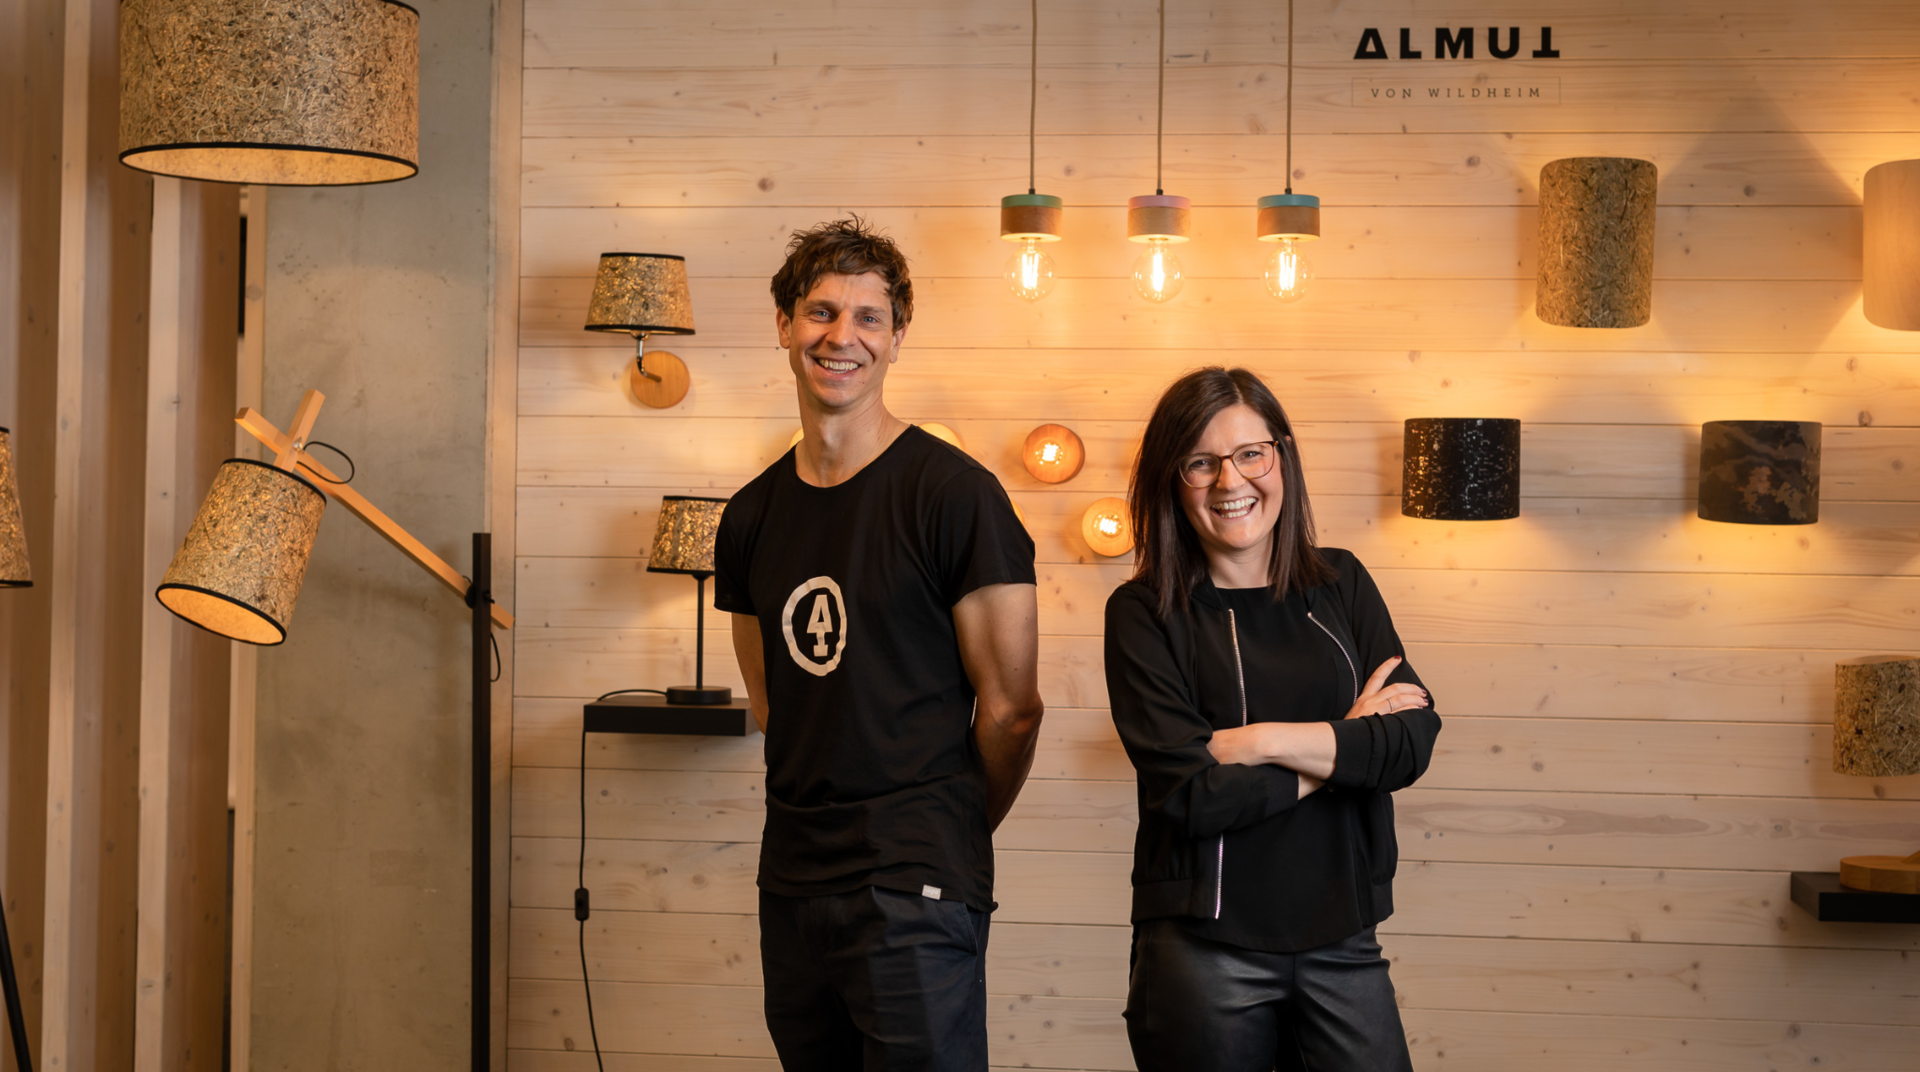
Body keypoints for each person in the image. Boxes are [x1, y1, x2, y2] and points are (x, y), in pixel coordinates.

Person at [713, 217, 1045, 1072]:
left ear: (897, 337)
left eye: (868, 317)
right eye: (821, 312)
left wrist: (948, 829)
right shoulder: (749, 517)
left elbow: (1011, 711)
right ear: (784, 325)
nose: (841, 337)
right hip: (790, 882)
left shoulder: (956, 496)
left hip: (916, 884)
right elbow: (773, 703)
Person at [1103, 366, 1440, 1072]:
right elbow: (1192, 796)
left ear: (1280, 456)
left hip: (1343, 936)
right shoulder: (1143, 615)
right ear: (1173, 479)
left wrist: (1258, 742)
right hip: (1202, 950)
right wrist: (1346, 743)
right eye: (1201, 462)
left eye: (1251, 454)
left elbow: (1408, 740)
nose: (1231, 482)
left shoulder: (1341, 582)